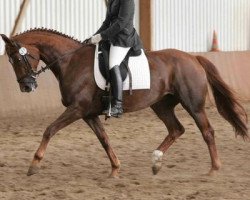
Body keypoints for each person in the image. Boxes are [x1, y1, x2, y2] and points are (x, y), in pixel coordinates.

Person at [87, 0, 143, 117]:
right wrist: (94, 36)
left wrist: (102, 36)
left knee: (113, 63)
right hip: (112, 37)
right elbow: (107, 22)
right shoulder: (111, 1)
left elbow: (121, 23)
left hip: (124, 38)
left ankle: (117, 105)